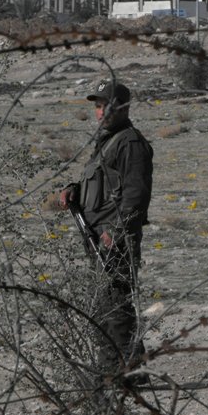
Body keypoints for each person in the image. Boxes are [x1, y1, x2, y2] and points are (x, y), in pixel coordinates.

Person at [58, 80, 154, 378]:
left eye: (107, 106)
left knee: (113, 302)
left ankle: (118, 371)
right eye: (98, 106)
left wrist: (117, 229)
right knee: (108, 301)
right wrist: (75, 189)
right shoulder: (108, 141)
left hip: (115, 239)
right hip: (98, 236)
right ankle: (126, 365)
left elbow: (136, 195)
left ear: (123, 108)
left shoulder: (130, 142)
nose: (101, 113)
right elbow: (105, 183)